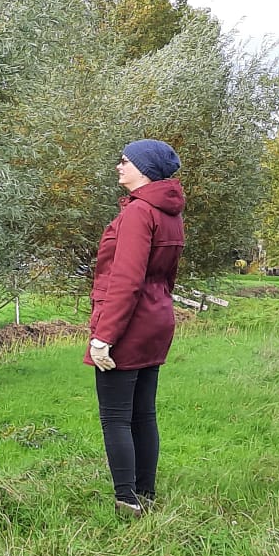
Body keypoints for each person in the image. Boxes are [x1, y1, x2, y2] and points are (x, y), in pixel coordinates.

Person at [86, 139, 185, 518]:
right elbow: (167, 277)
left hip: (127, 325)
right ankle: (146, 493)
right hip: (156, 320)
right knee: (143, 414)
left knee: (116, 417)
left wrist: (103, 337)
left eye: (125, 161)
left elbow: (125, 281)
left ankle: (127, 501)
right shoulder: (169, 213)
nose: (119, 166)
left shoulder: (138, 213)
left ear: (144, 169)